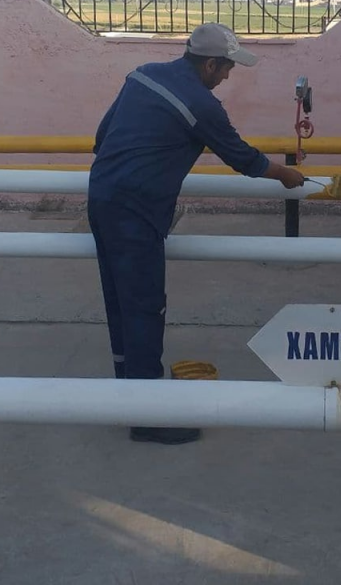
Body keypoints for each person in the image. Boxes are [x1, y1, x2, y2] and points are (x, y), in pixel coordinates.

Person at [87, 23, 306, 445]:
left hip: (102, 195)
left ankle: (127, 393)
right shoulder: (201, 105)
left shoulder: (144, 75)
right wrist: (285, 174)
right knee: (145, 309)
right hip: (136, 213)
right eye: (227, 68)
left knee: (121, 303)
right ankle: (146, 417)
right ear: (209, 65)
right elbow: (243, 158)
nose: (228, 76)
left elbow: (102, 135)